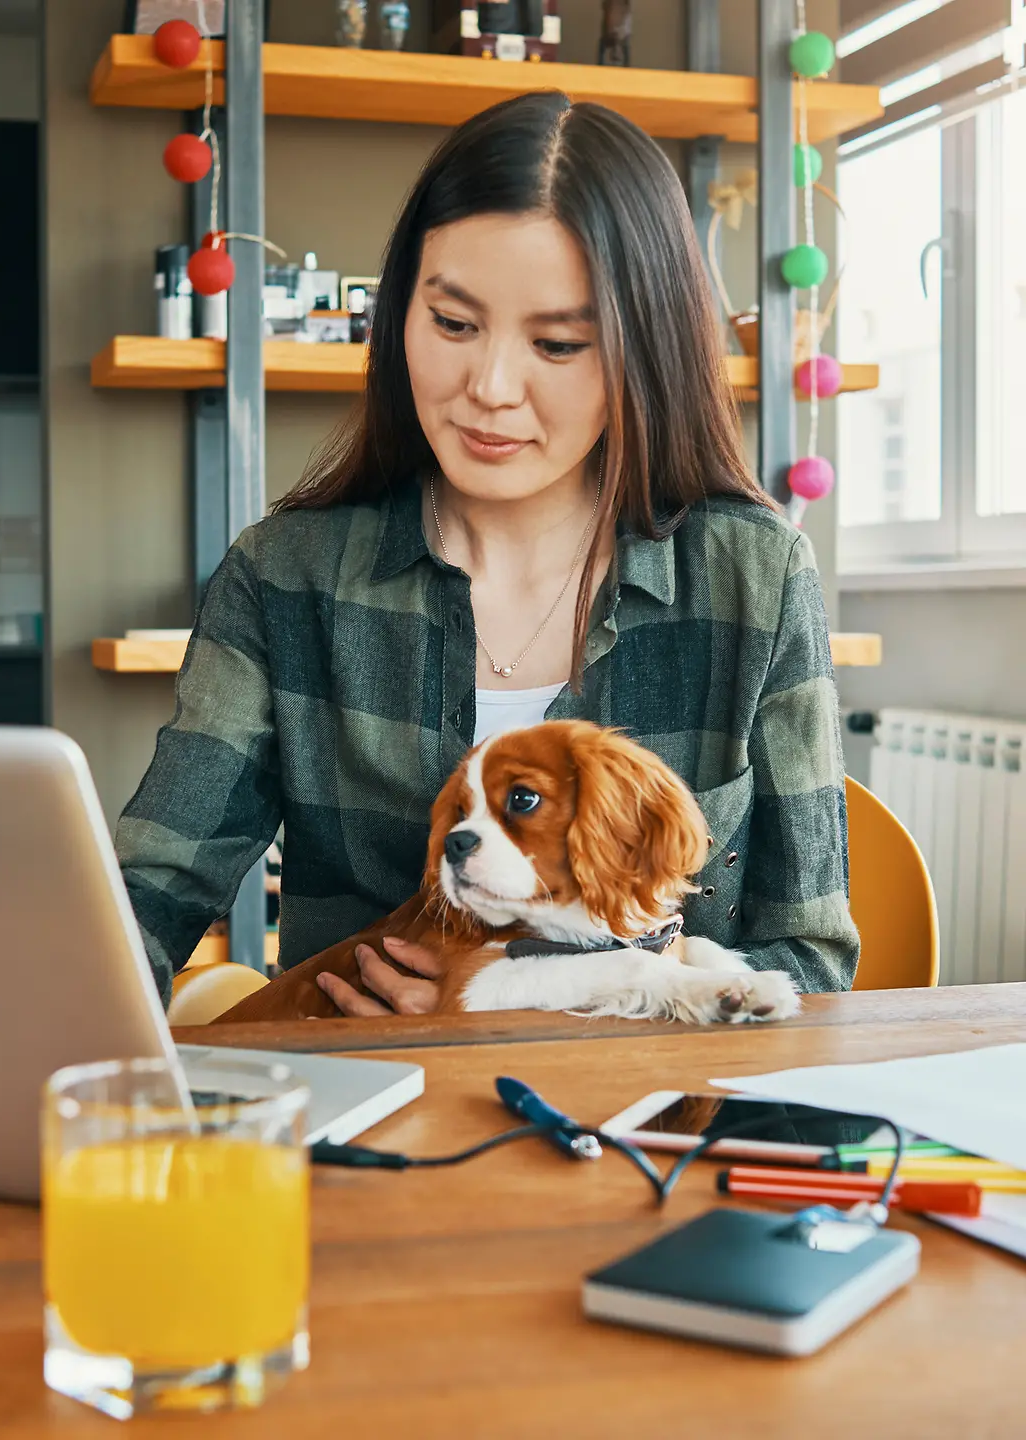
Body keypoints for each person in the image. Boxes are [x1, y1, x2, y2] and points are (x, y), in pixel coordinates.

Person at [116, 90, 858, 1018]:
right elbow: (144, 901)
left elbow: (811, 959)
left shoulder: (755, 578)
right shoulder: (283, 577)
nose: (490, 389)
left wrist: (528, 1009)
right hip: (367, 1122)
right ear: (400, 320)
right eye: (454, 325)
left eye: (557, 343)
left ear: (646, 353)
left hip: (661, 1133)